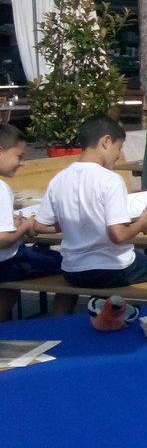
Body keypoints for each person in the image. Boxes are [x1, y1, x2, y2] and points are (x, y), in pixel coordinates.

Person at [33, 116, 147, 288]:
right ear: (106, 141)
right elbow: (118, 235)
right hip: (112, 268)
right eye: (118, 148)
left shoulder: (59, 179)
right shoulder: (110, 180)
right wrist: (142, 223)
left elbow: (39, 226)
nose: (119, 155)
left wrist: (75, 224)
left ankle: (100, 303)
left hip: (72, 270)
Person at [0, 124, 75, 319]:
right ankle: (60, 322)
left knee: (11, 287)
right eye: (19, 156)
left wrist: (13, 222)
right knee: (72, 264)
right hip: (8, 262)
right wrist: (25, 225)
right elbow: (3, 239)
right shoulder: (1, 188)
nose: (22, 163)